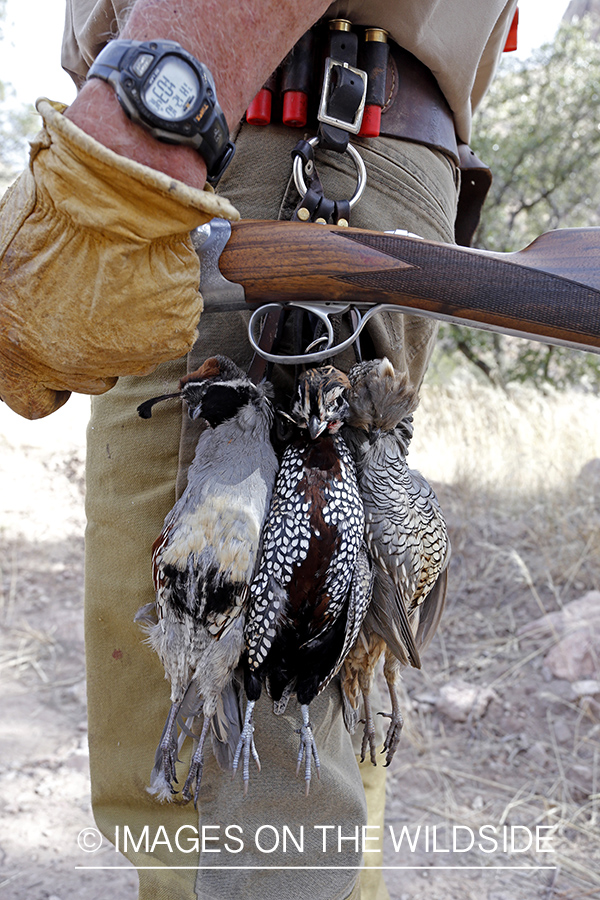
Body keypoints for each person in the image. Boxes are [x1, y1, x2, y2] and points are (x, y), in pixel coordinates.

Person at [0, 1, 518, 898]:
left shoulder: (181, 101)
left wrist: (159, 91)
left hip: (258, 136)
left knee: (230, 789)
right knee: (293, 744)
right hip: (308, 139)